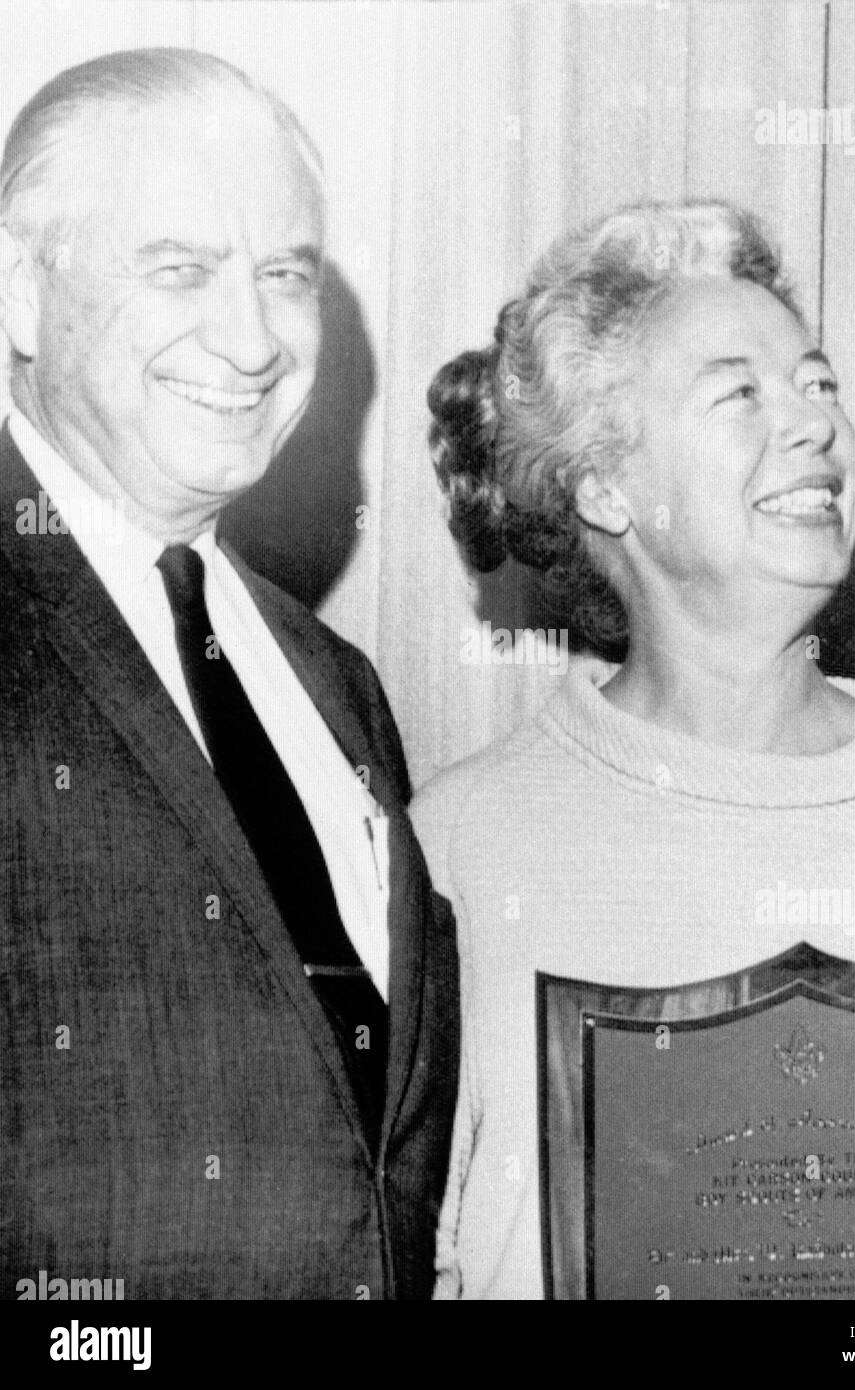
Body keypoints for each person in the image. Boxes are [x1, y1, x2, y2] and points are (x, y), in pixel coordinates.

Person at [413, 200, 855, 1299]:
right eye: (740, 390)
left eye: (819, 385)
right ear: (605, 484)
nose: (812, 425)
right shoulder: (460, 843)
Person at [0, 48, 457, 1300]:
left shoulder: (334, 685)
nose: (251, 339)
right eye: (179, 269)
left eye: (284, 276)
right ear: (19, 297)